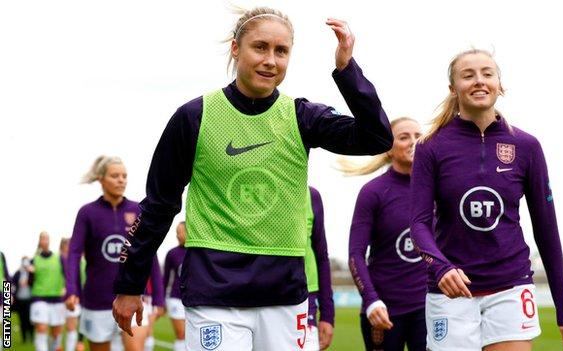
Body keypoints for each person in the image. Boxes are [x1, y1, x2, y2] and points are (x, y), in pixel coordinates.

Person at [112, 6, 392, 350]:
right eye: (260, 47)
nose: (271, 60)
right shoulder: (194, 117)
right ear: (235, 48)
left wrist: (347, 69)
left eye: (281, 51)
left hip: (285, 293)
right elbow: (158, 205)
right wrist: (130, 283)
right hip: (213, 290)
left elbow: (377, 138)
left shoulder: (301, 116)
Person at [410, 49, 563, 351]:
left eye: (487, 74)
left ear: (499, 84)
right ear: (453, 89)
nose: (479, 81)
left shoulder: (527, 146)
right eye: (468, 75)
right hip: (451, 293)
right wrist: (441, 267)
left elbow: (547, 231)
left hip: (511, 287)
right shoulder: (430, 146)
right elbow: (419, 224)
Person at [343, 117, 427, 351]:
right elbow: (356, 254)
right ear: (388, 148)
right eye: (403, 137)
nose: (413, 142)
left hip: (430, 308)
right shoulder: (373, 193)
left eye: (418, 136)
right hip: (384, 311)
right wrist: (371, 301)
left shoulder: (436, 188)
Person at [65, 156, 151, 351]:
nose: (121, 180)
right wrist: (72, 290)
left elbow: (149, 254)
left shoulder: (138, 210)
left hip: (132, 295)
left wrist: (159, 297)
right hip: (97, 300)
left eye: (124, 176)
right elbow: (74, 253)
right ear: (101, 179)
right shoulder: (87, 213)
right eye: (115, 176)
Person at [303, 187, 334, 351]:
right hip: (251, 296)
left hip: (305, 298)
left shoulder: (311, 196)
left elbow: (321, 256)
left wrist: (328, 315)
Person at [30, 231, 65, 351]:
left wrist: (66, 288)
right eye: (42, 238)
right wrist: (30, 273)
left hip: (57, 299)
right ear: (39, 241)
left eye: (46, 238)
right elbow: (30, 282)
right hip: (39, 298)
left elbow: (67, 275)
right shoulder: (34, 260)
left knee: (56, 334)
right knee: (41, 329)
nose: (44, 240)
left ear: (49, 240)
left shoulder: (58, 258)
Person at [162, 222, 187, 351]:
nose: (178, 235)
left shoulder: (198, 253)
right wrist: (161, 301)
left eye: (180, 231)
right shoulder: (172, 253)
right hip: (175, 299)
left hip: (193, 301)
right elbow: (165, 278)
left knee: (191, 336)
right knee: (182, 334)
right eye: (177, 232)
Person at [60, 238, 86, 351]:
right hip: (61, 297)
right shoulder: (60, 260)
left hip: (76, 297)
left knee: (73, 327)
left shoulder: (79, 261)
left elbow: (80, 279)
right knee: (58, 328)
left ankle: (77, 344)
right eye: (67, 246)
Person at [12, 256, 35, 344]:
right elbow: (12, 283)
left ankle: (32, 337)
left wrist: (28, 281)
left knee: (30, 320)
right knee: (22, 320)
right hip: (20, 300)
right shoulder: (17, 273)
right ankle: (24, 338)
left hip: (29, 300)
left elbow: (34, 282)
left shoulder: (31, 273)